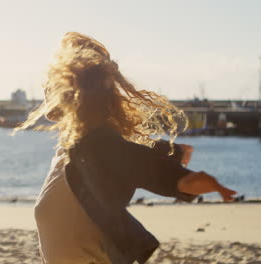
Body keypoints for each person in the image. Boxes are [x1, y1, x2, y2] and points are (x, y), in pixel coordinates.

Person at [15, 32, 236, 264]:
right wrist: (172, 153)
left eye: (54, 83)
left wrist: (205, 183)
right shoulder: (70, 151)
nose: (47, 89)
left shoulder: (104, 148)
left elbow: (169, 177)